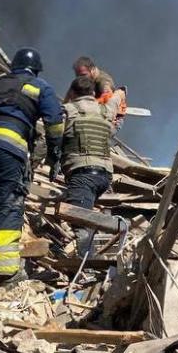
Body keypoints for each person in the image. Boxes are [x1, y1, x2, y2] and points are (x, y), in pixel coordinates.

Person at [0, 48, 64, 283]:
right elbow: (55, 124)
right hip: (7, 144)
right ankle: (6, 270)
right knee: (9, 202)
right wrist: (54, 155)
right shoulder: (40, 87)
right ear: (36, 69)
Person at [49, 75, 118, 256]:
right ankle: (91, 257)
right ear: (93, 93)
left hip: (83, 174)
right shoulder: (105, 111)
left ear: (72, 92)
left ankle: (87, 264)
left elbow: (54, 137)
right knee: (86, 216)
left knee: (79, 220)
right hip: (104, 176)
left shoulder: (68, 111)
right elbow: (116, 100)